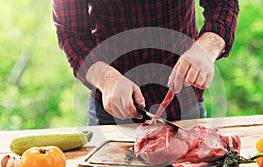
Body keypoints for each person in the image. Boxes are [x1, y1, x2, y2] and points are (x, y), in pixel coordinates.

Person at [52, 0, 239, 125]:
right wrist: (106, 79)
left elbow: (223, 3)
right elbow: (71, 32)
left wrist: (207, 47)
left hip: (184, 98)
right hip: (110, 108)